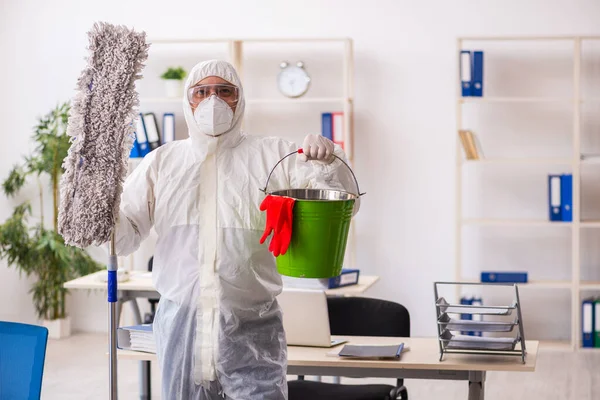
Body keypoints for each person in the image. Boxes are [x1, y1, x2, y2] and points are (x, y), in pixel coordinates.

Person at [115, 59, 360, 399]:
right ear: (188, 102)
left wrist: (328, 162)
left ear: (239, 99)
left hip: (252, 326)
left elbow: (344, 204)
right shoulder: (162, 162)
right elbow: (124, 236)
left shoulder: (274, 154)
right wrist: (100, 212)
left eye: (224, 91)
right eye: (201, 92)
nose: (213, 101)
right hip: (181, 328)